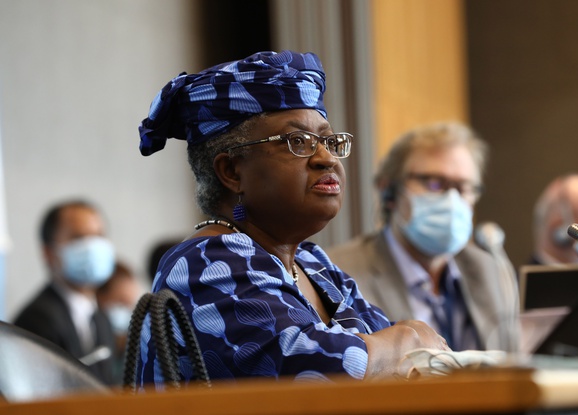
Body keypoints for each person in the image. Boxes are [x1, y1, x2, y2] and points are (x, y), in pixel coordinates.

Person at [136, 50, 448, 384]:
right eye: (297, 141)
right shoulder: (204, 264)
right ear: (231, 171)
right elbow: (320, 370)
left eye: (328, 141)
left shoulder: (314, 264)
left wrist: (394, 350)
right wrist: (411, 337)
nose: (326, 158)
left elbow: (408, 369)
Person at [327, 122, 519, 352]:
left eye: (463, 187)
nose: (451, 199)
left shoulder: (492, 271)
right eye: (434, 183)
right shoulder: (339, 273)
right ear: (389, 191)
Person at [13, 199, 118, 384]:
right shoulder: (36, 321)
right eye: (78, 238)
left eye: (98, 235)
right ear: (48, 252)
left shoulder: (102, 318)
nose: (92, 246)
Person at [96, 260, 144, 380]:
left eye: (131, 305)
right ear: (98, 297)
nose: (129, 311)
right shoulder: (90, 347)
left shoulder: (137, 348)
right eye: (121, 302)